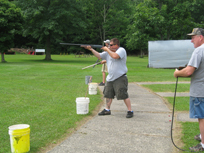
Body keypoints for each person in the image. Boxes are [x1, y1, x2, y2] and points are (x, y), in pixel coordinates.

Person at [85, 38, 133, 118]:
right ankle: (107, 109)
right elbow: (99, 56)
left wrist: (107, 49)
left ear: (116, 45)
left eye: (111, 45)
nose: (109, 46)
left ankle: (130, 110)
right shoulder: (108, 52)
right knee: (108, 94)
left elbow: (115, 56)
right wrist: (91, 49)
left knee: (123, 94)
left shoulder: (121, 50)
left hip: (120, 77)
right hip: (110, 78)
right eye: (109, 45)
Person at [174, 28, 204, 151]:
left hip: (200, 91)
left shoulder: (198, 51)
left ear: (200, 37)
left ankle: (203, 144)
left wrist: (177, 73)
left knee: (202, 118)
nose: (191, 40)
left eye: (193, 37)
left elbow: (189, 71)